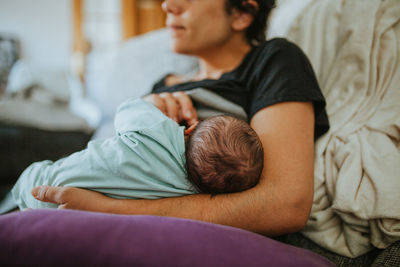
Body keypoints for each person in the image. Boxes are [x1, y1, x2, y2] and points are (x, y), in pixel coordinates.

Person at [32, 0, 330, 236]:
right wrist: (147, 104)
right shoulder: (165, 85)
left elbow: (284, 204)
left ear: (242, 13)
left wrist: (111, 209)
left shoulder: (273, 59)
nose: (167, 5)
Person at [12, 98, 264, 209]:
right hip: (66, 211)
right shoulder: (186, 194)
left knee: (32, 170)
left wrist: (153, 106)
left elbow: (128, 108)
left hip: (42, 183)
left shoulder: (157, 129)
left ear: (191, 129)